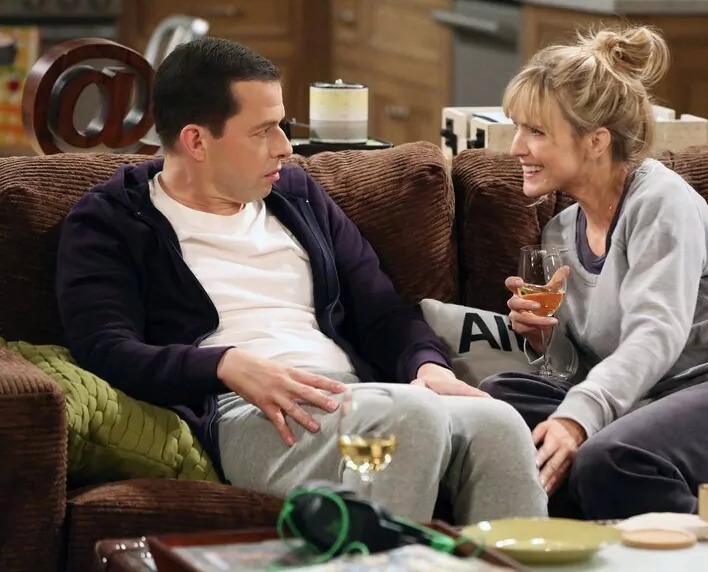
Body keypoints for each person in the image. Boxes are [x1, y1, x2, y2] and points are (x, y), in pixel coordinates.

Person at [55, 37, 547, 524]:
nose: (285, 147)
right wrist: (224, 364)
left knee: (497, 421)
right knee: (407, 418)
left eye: (283, 126)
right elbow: (105, 348)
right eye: (262, 131)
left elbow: (382, 312)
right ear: (196, 141)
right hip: (248, 412)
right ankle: (380, 559)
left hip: (361, 397)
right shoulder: (111, 220)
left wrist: (428, 367)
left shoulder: (297, 196)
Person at [479, 25, 708, 521]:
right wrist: (546, 340)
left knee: (609, 459)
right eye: (517, 128)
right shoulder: (560, 232)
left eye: (535, 132)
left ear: (596, 141)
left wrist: (578, 421)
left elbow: (657, 331)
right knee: (496, 407)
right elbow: (593, 368)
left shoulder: (660, 201)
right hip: (656, 399)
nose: (516, 146)